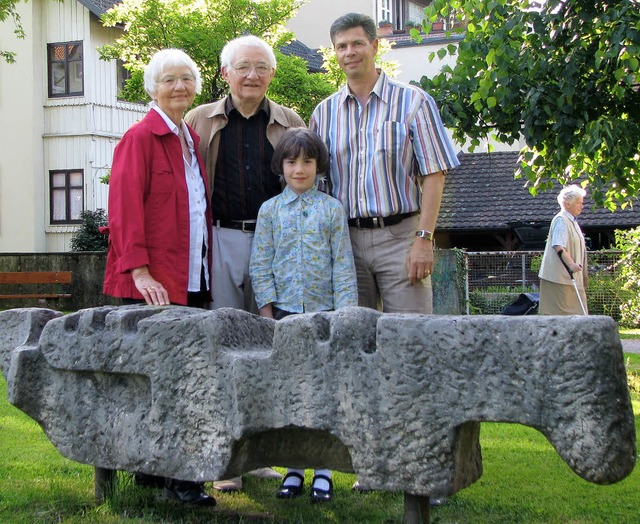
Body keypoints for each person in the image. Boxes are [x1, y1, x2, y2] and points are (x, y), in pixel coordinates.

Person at [309, 12, 460, 499]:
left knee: (414, 350)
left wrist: (424, 236)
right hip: (347, 243)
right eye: (341, 46)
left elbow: (434, 173)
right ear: (334, 53)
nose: (349, 53)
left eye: (357, 43)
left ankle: (428, 468)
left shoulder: (413, 102)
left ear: (376, 45)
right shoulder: (323, 113)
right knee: (354, 355)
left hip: (401, 236)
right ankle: (371, 463)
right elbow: (318, 186)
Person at [185, 34, 304, 492]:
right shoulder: (199, 120)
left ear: (271, 74)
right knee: (225, 345)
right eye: (243, 67)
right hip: (221, 238)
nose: (252, 75)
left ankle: (261, 455)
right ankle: (227, 458)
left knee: (271, 344)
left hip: (275, 244)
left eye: (261, 67)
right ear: (225, 74)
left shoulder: (290, 122)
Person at [103, 48, 216, 507]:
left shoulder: (188, 137)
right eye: (169, 80)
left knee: (175, 377)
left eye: (187, 79)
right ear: (152, 87)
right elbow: (124, 208)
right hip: (152, 282)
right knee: (172, 380)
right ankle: (181, 477)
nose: (179, 87)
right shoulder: (140, 137)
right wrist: (140, 270)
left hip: (190, 275)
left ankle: (154, 468)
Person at [249, 128, 357, 503]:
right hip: (283, 314)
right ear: (281, 165)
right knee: (291, 392)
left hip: (325, 314)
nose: (299, 169)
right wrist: (267, 312)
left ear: (318, 165)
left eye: (307, 161)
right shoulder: (270, 211)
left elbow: (343, 265)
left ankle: (323, 470)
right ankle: (294, 467)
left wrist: (344, 315)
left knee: (324, 391)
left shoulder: (331, 209)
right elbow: (260, 264)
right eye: (292, 161)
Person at [538, 184, 588, 315]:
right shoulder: (561, 220)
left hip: (572, 278)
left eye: (581, 203)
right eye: (578, 203)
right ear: (567, 203)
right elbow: (558, 246)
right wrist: (571, 264)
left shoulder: (573, 221)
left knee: (579, 315)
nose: (581, 206)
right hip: (560, 279)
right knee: (563, 317)